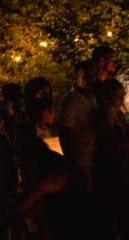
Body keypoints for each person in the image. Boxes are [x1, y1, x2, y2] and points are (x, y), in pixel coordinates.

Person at [58, 60, 97, 191]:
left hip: (92, 157)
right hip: (81, 160)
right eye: (86, 77)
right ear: (77, 77)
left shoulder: (92, 98)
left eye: (93, 76)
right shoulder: (71, 100)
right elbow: (65, 131)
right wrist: (72, 159)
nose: (90, 80)